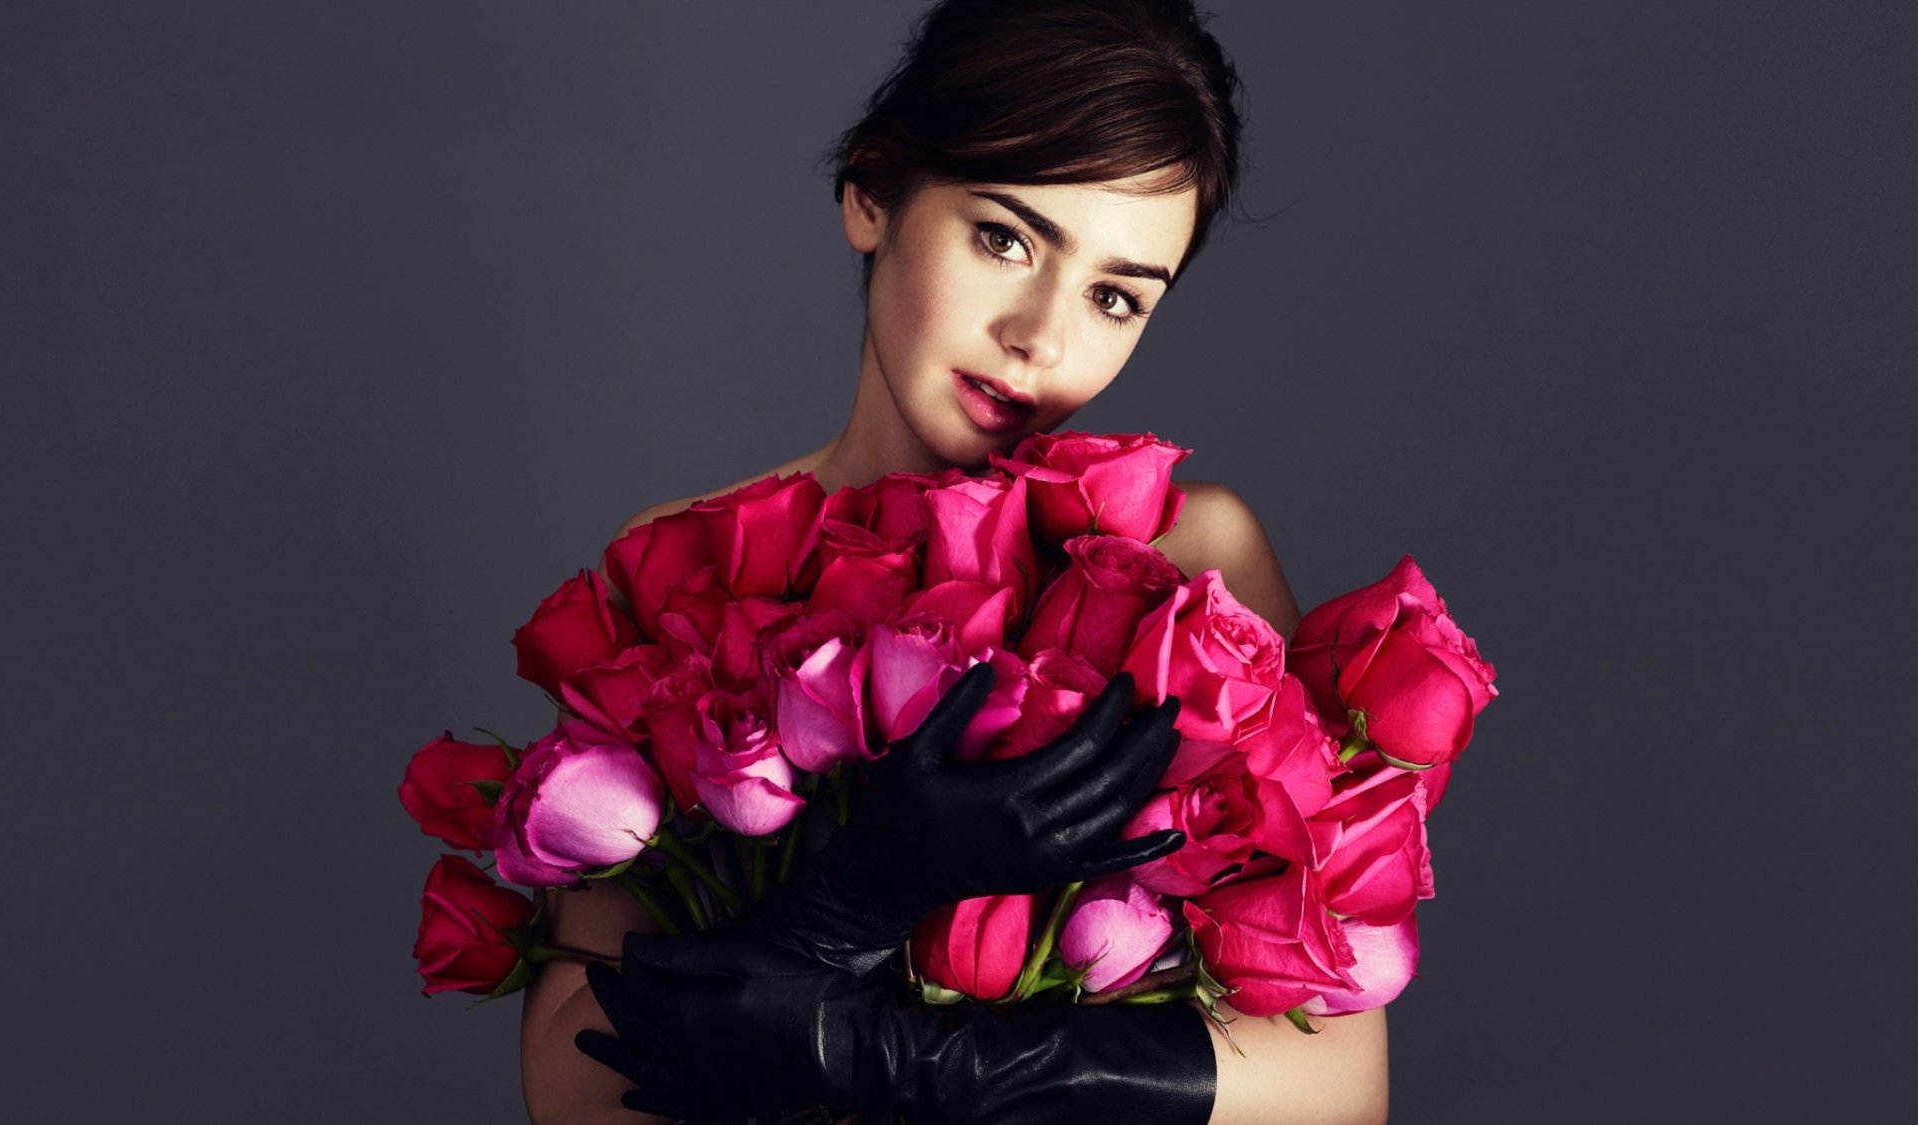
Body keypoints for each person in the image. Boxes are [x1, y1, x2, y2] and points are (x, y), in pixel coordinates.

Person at [519, 1, 1391, 1121]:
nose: (1043, 338)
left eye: (1114, 296)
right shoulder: (685, 567)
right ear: (872, 191)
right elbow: (569, 1091)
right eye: (1005, 239)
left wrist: (909, 1059)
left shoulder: (1187, 576)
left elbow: (1342, 1086)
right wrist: (851, 895)